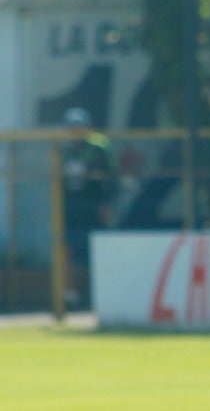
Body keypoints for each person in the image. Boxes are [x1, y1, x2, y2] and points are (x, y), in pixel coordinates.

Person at [61, 107, 116, 307]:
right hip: (72, 209)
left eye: (79, 127)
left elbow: (112, 178)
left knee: (98, 252)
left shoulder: (98, 147)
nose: (75, 131)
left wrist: (107, 204)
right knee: (69, 251)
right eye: (72, 127)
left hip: (94, 208)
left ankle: (103, 297)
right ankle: (71, 298)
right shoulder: (64, 151)